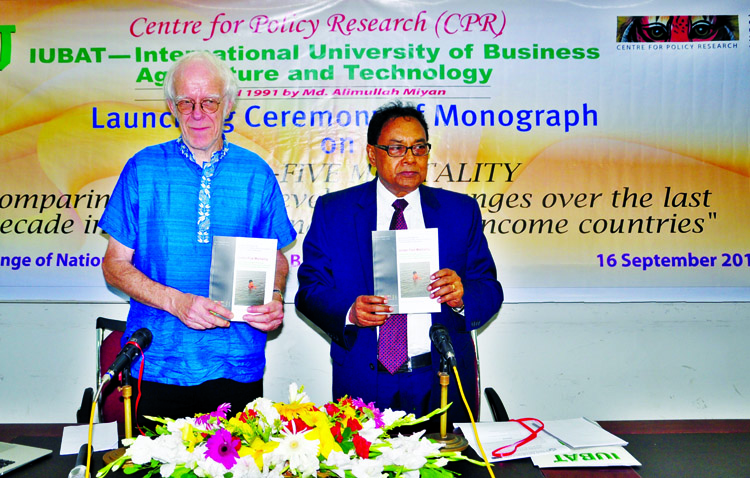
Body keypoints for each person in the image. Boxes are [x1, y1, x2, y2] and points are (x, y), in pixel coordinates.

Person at [99, 51, 296, 423]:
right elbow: (114, 266)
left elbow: (275, 255)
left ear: (229, 104)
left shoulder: (256, 172)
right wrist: (176, 302)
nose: (198, 113)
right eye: (186, 102)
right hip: (157, 364)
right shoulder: (143, 168)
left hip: (238, 364)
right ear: (172, 106)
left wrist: (274, 295)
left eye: (209, 101)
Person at [295, 101, 503, 429]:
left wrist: (463, 296)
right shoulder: (334, 212)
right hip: (364, 381)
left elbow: (489, 288)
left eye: (419, 148)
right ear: (372, 153)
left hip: (440, 381)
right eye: (396, 148)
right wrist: (349, 312)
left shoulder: (459, 212)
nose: (409, 158)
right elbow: (309, 290)